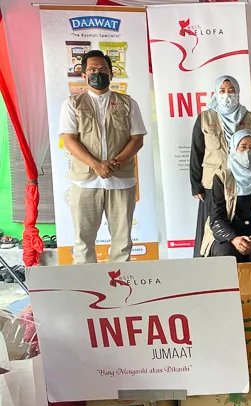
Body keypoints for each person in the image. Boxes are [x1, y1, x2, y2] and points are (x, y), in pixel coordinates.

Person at [59, 50, 147, 264]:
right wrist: (96, 165)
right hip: (85, 181)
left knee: (122, 242)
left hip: (121, 180)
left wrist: (115, 164)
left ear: (111, 74)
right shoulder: (72, 104)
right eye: (92, 70)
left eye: (103, 70)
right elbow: (70, 140)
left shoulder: (128, 103)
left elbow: (137, 139)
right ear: (84, 75)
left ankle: (120, 291)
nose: (98, 74)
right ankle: (86, 292)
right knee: (83, 242)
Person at [190, 75, 251, 257]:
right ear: (215, 93)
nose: (227, 95)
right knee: (213, 229)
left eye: (231, 90)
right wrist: (195, 184)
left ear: (238, 93)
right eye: (222, 91)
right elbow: (197, 152)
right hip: (214, 183)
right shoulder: (205, 118)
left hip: (247, 184)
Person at [201, 130, 251, 262]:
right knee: (227, 257)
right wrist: (234, 239)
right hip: (228, 235)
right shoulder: (222, 178)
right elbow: (216, 215)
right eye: (243, 147)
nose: (248, 152)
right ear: (234, 150)